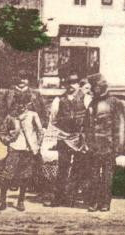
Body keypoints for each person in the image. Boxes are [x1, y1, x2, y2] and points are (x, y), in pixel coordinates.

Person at [0, 101, 44, 212]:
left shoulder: (33, 115)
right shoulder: (11, 117)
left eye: (24, 104)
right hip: (14, 149)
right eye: (19, 103)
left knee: (25, 176)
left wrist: (37, 145)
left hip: (28, 150)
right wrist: (7, 140)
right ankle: (2, 201)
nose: (21, 106)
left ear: (28, 104)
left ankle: (21, 201)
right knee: (6, 175)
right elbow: (2, 131)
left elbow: (40, 131)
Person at [44, 74, 88, 207]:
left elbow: (90, 118)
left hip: (80, 138)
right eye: (69, 83)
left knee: (79, 167)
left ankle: (72, 197)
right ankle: (59, 197)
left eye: (74, 83)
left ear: (78, 84)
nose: (71, 86)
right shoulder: (59, 100)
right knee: (63, 167)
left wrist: (83, 132)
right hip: (64, 138)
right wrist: (63, 130)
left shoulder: (86, 98)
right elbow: (53, 120)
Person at [85, 75, 125, 212]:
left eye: (94, 87)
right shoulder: (92, 103)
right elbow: (87, 125)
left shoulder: (115, 102)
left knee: (107, 175)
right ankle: (94, 201)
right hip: (93, 146)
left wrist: (119, 146)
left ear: (100, 87)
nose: (91, 90)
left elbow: (121, 126)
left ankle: (105, 202)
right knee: (93, 175)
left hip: (108, 145)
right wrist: (87, 142)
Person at [0, 74, 48, 138]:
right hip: (12, 130)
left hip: (32, 129)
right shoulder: (7, 93)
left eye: (24, 78)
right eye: (18, 78)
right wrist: (3, 125)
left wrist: (43, 126)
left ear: (28, 80)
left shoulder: (35, 94)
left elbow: (44, 110)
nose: (21, 80)